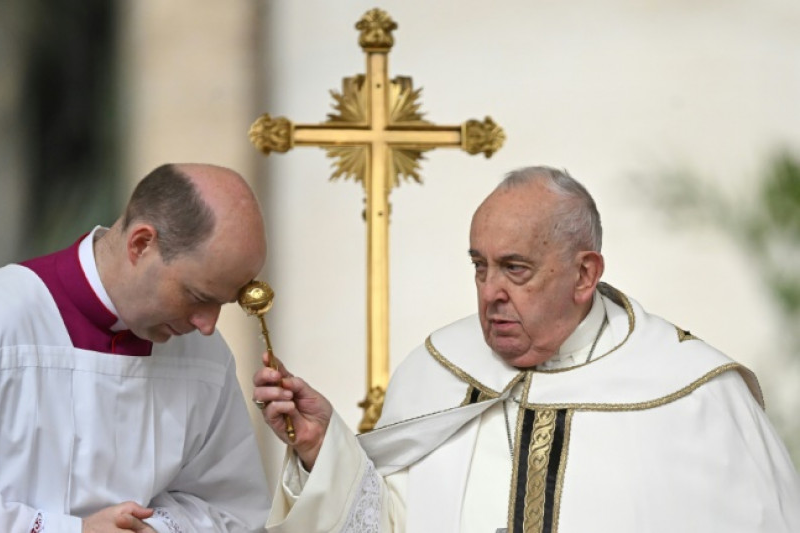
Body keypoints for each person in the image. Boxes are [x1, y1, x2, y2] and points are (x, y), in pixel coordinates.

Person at [253, 166, 800, 532]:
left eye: (516, 269)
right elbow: (389, 522)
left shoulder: (694, 394)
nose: (492, 292)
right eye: (480, 266)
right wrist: (324, 452)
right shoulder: (435, 372)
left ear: (584, 274)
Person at [0, 164, 271, 532]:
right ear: (141, 244)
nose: (208, 324)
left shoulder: (205, 358)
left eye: (224, 302)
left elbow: (233, 510)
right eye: (198, 296)